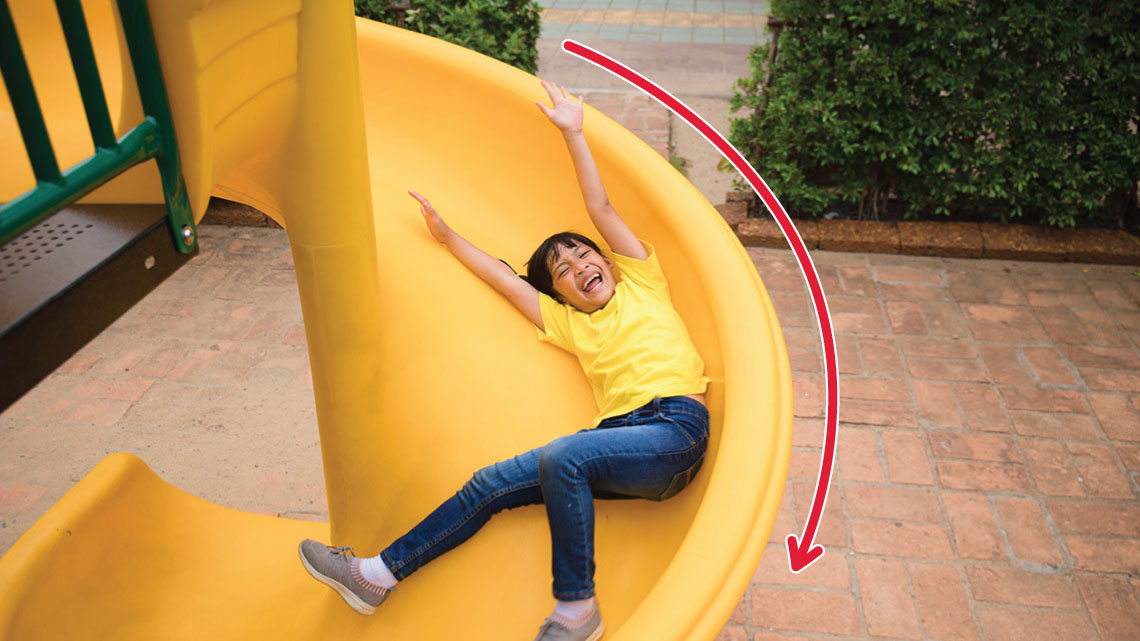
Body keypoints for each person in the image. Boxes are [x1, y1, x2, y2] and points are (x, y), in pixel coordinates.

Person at [298, 79, 710, 641]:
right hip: (617, 441)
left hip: (674, 431)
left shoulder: (642, 281)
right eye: (563, 272)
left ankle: (577, 611)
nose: (579, 268)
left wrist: (573, 133)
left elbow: (600, 206)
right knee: (488, 484)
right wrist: (448, 238)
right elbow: (504, 279)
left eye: (584, 256)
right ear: (559, 296)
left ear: (609, 262)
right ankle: (375, 576)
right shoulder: (568, 324)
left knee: (563, 456)